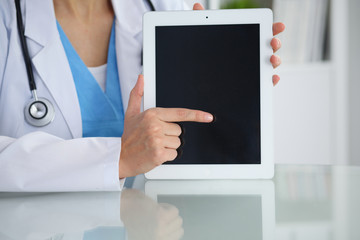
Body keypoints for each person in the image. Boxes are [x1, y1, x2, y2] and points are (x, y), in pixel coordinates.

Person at [0, 0, 285, 191]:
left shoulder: (166, 6)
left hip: (161, 222)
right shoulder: (7, 19)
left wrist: (229, 87)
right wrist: (119, 158)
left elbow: (206, 139)